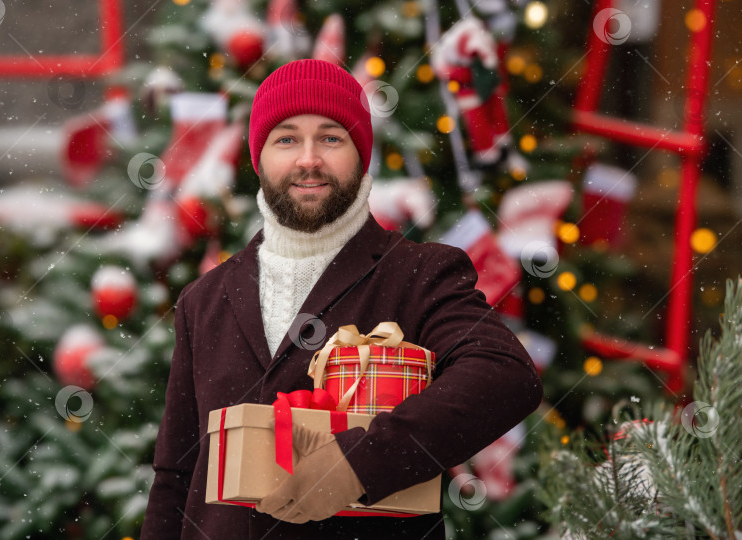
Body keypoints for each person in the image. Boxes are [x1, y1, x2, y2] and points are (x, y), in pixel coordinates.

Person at [141, 58, 542, 540]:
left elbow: (505, 374)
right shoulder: (203, 300)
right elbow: (175, 478)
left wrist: (358, 463)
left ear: (361, 153)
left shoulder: (420, 274)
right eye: (286, 138)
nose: (308, 159)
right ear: (259, 156)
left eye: (331, 138)